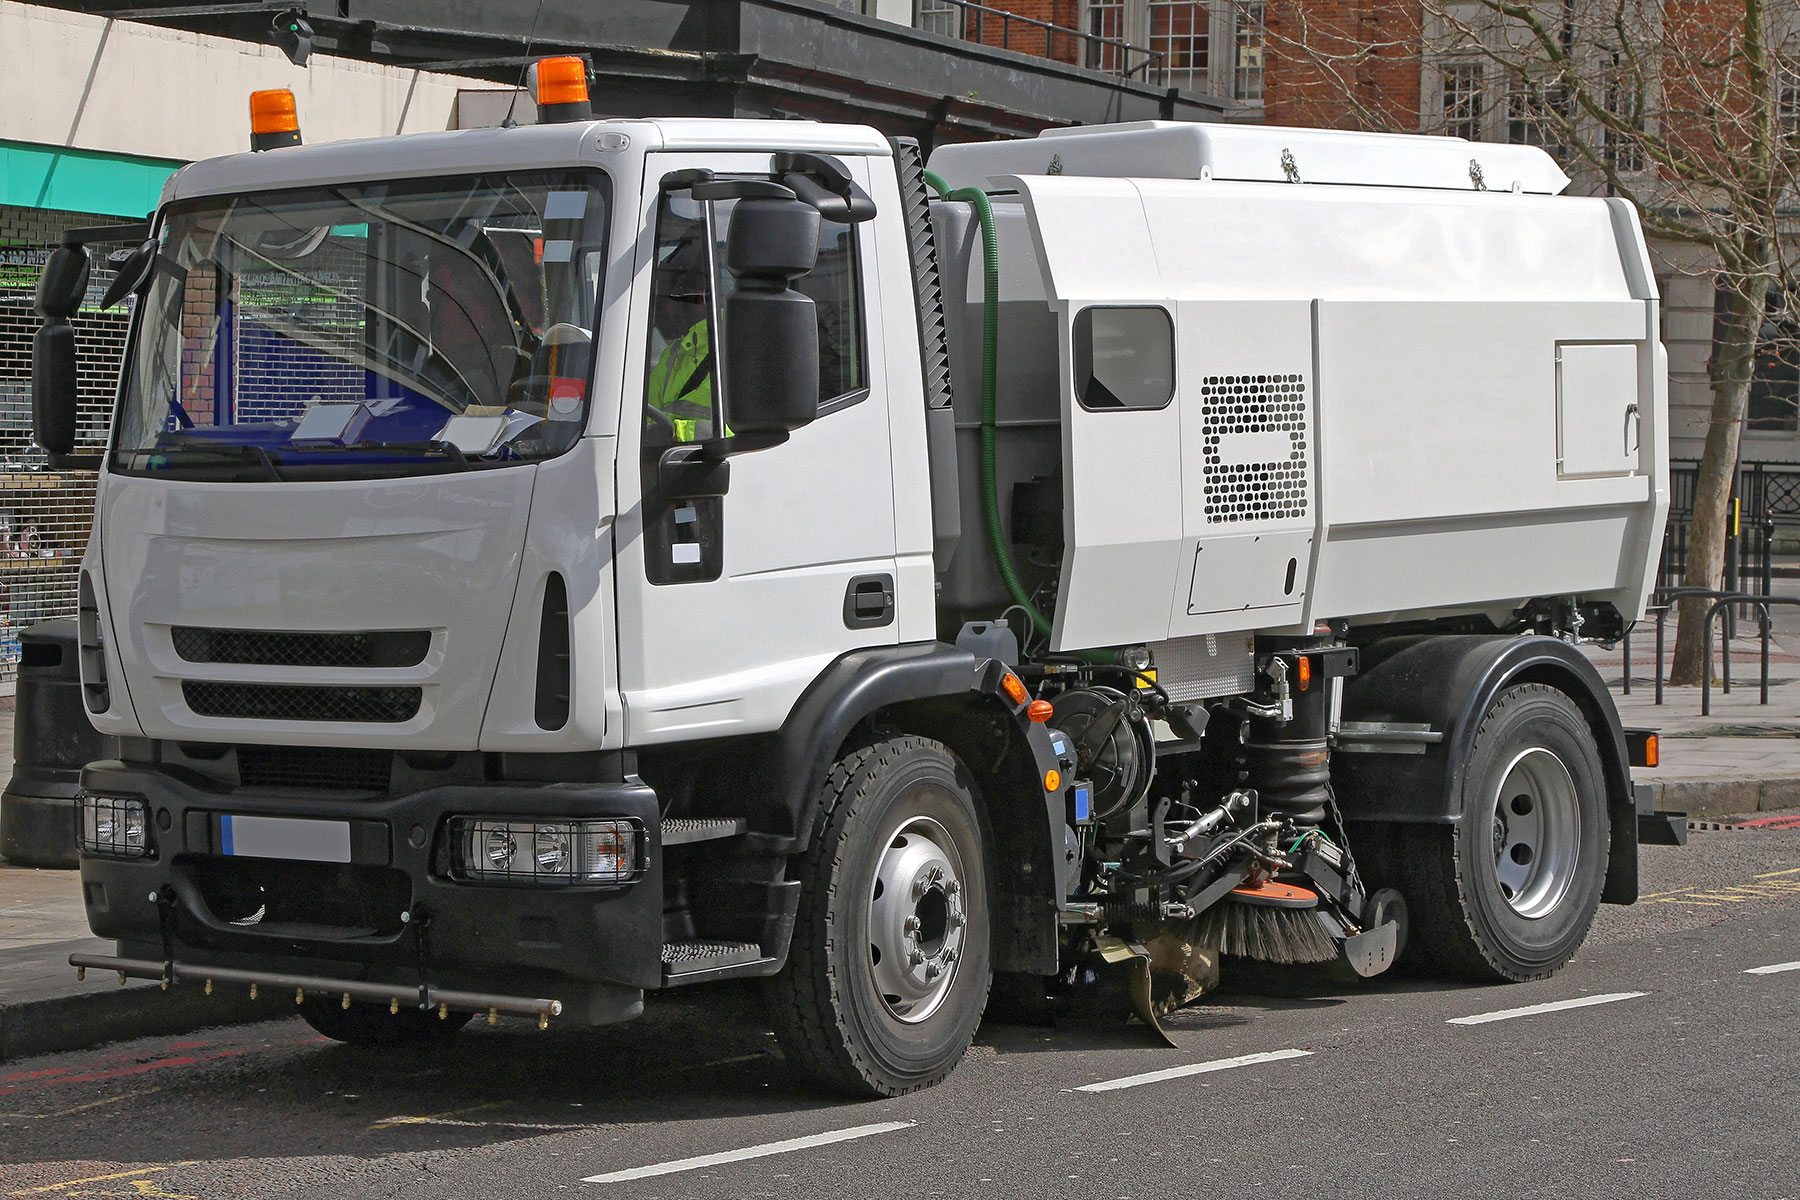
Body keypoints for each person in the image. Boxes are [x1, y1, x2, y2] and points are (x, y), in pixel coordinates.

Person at [644, 231, 717, 444]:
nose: (661, 308)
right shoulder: (674, 352)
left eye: (667, 296)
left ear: (698, 295)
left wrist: (669, 433)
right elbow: (645, 412)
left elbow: (741, 434)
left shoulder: (737, 346)